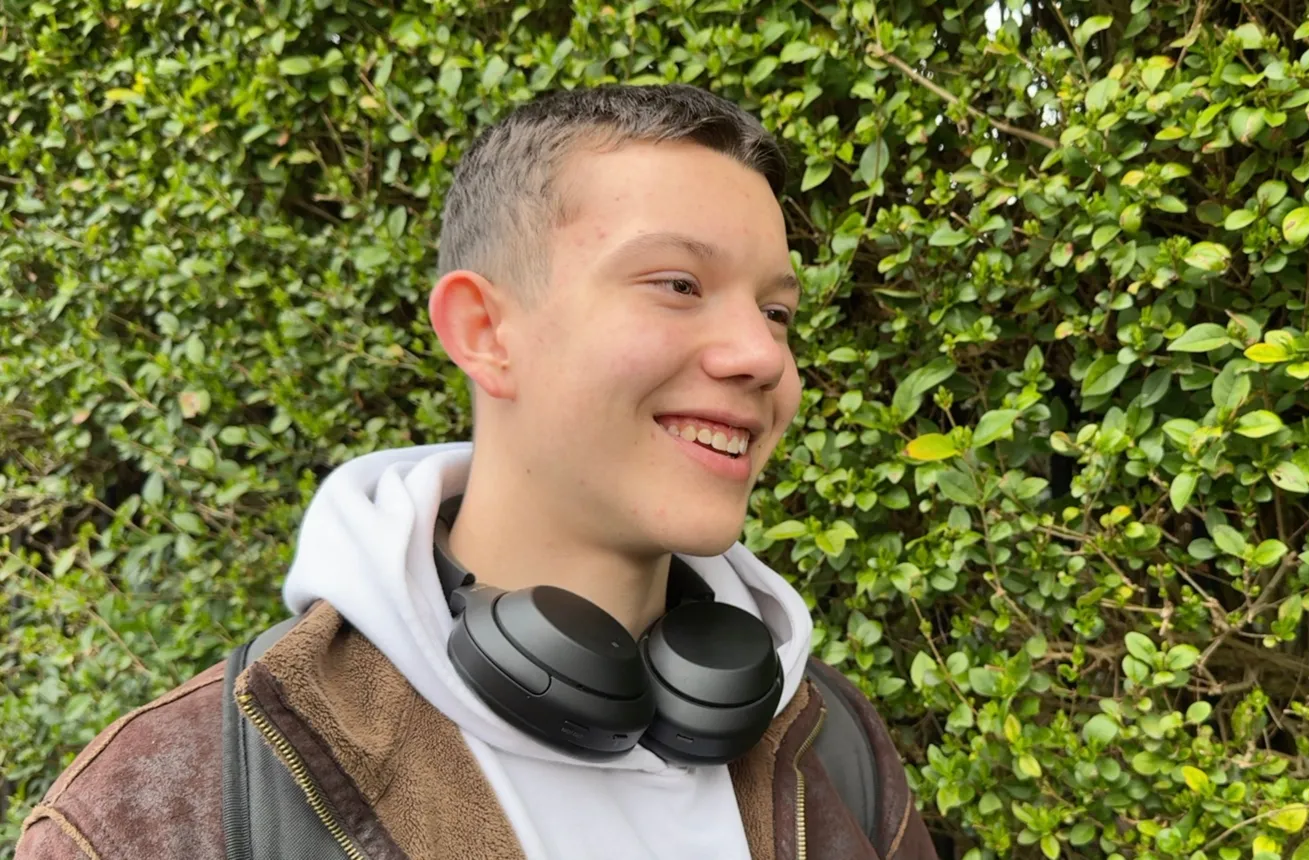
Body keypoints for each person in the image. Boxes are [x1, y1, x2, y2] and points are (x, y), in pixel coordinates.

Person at [15, 84, 939, 859]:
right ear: (485, 332)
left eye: (776, 313)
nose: (763, 357)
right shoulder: (155, 813)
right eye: (679, 285)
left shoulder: (834, 743)